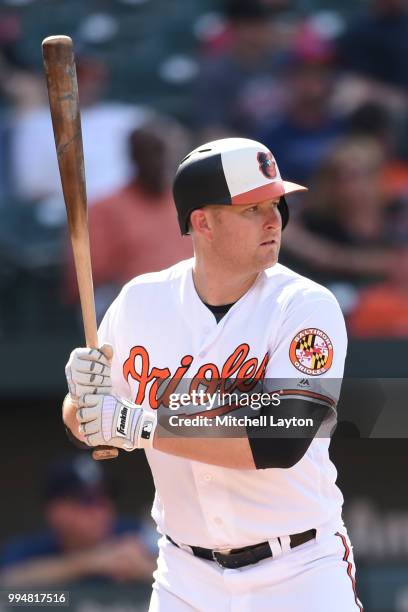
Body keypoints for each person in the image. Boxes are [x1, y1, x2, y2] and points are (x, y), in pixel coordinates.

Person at [63, 137, 363, 611]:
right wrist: (81, 400)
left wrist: (136, 423)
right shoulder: (140, 302)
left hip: (299, 570)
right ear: (201, 221)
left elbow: (280, 438)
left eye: (276, 204)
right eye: (252, 208)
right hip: (185, 575)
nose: (274, 220)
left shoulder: (305, 306)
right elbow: (94, 427)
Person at [0, 455, 155, 587]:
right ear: (56, 511)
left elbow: (175, 572)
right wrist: (90, 562)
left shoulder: (133, 533)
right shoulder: (30, 548)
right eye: (87, 500)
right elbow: (7, 582)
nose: (100, 509)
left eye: (106, 497)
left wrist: (146, 569)